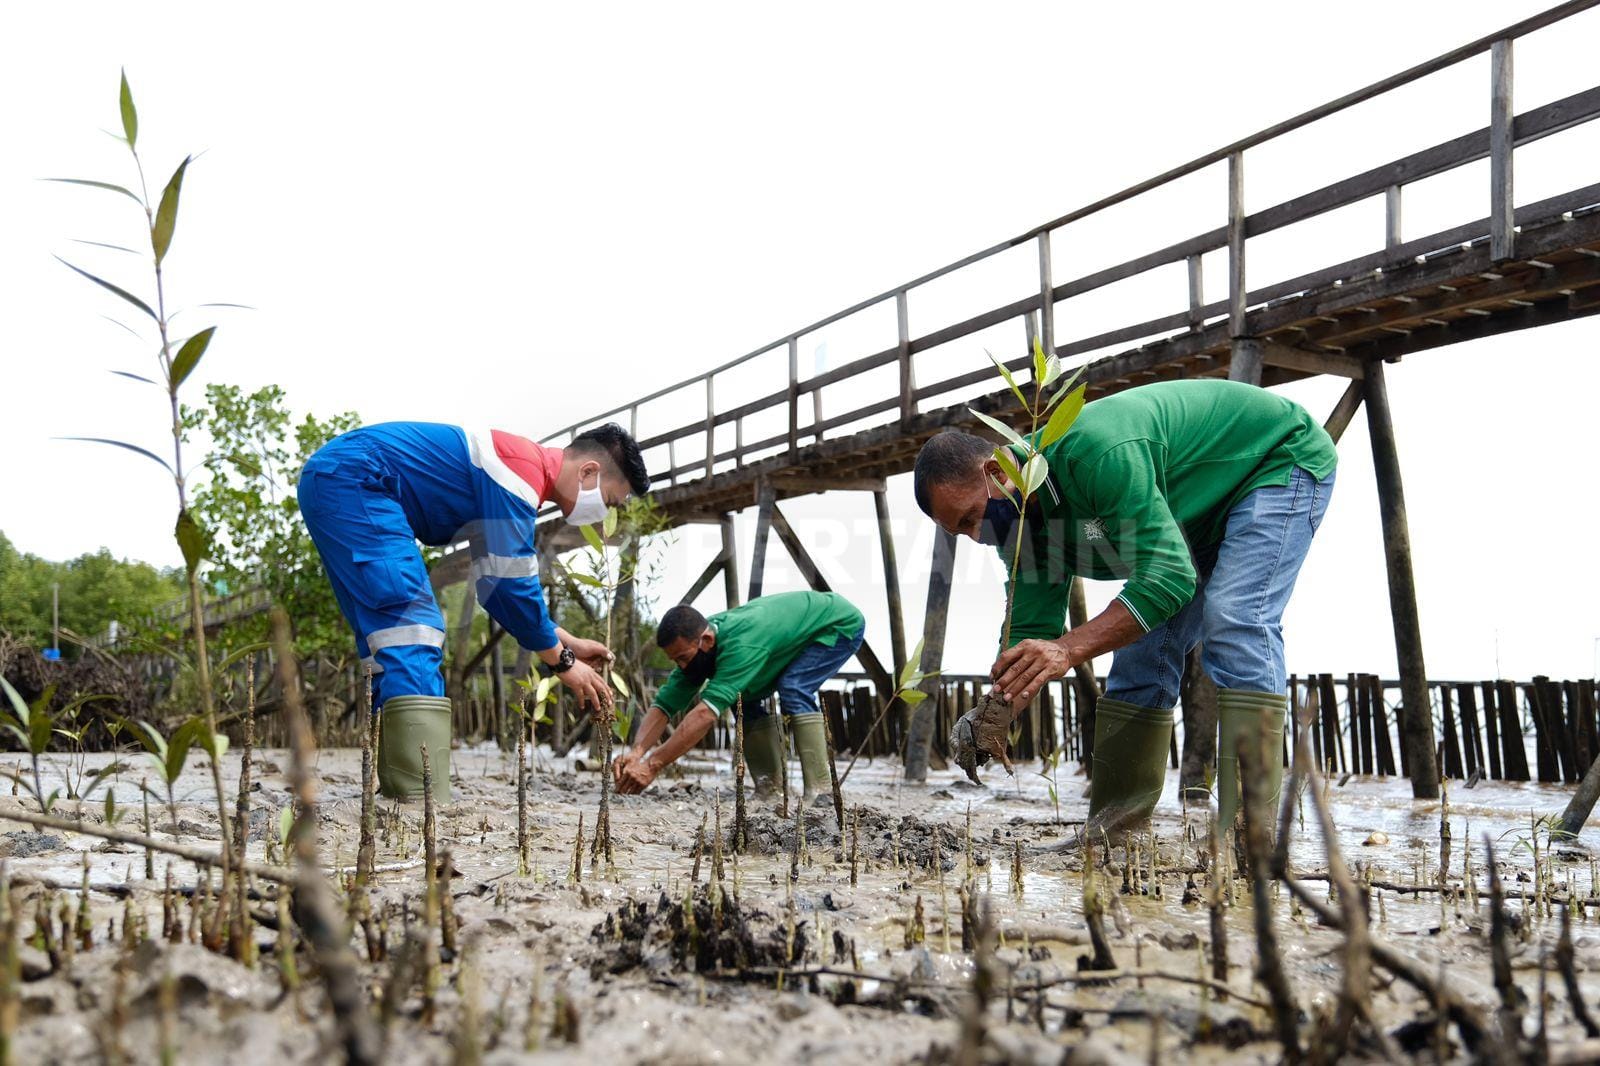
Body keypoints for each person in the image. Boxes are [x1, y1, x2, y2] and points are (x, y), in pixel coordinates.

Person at [912, 378, 1336, 834]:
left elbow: (1168, 577)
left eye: (972, 516)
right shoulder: (1019, 528)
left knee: (1234, 618)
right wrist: (994, 713)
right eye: (963, 531)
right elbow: (1031, 627)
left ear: (997, 471)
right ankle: (1115, 830)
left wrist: (1068, 650)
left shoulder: (1096, 453)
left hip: (1271, 462)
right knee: (1139, 651)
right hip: (1188, 511)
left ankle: (1253, 832)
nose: (978, 535)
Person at [299, 421, 650, 802]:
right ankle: (417, 798)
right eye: (610, 501)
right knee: (412, 628)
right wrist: (563, 662)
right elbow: (514, 585)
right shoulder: (519, 472)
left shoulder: (517, 474)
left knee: (385, 638)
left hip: (338, 480)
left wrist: (565, 640)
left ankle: (400, 787)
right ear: (588, 471)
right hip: (359, 480)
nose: (603, 515)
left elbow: (497, 587)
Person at [613, 590, 865, 799]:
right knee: (743, 697)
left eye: (683, 658)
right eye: (674, 660)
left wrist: (652, 764)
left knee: (794, 688)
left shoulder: (740, 646)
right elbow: (663, 707)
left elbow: (704, 715)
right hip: (787, 637)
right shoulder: (692, 649)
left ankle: (822, 793)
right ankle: (771, 790)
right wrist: (637, 752)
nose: (680, 666)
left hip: (837, 624)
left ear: (707, 640)